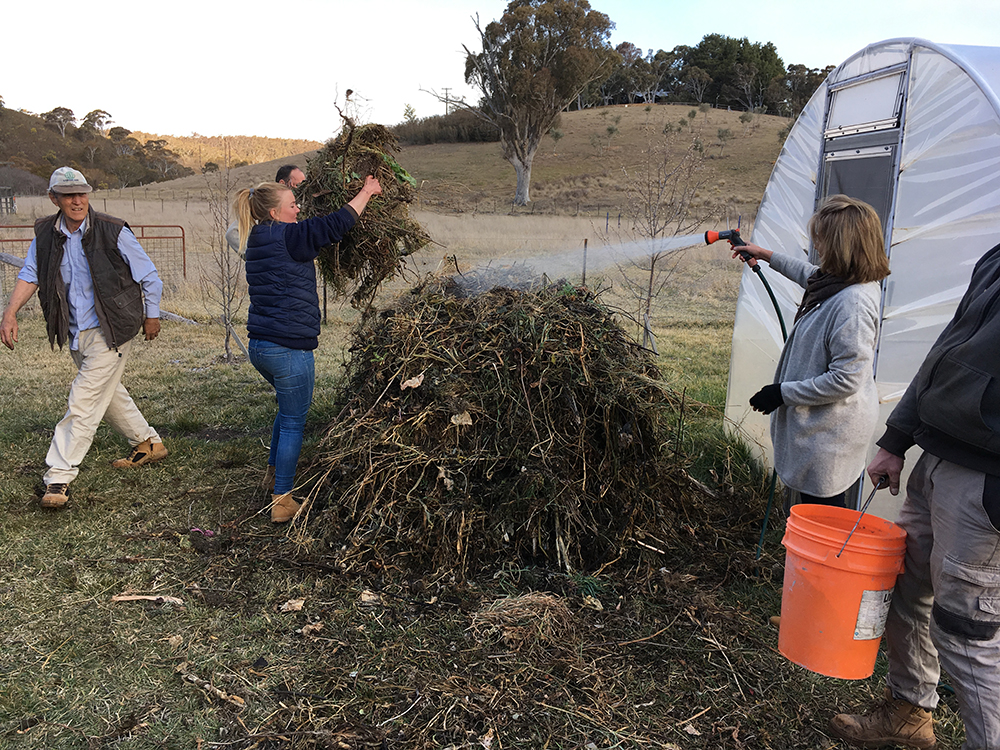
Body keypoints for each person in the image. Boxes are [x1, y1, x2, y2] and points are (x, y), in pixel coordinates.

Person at [828, 242, 1000, 750]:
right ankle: (908, 711)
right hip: (939, 455)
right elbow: (947, 348)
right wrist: (897, 438)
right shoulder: (993, 256)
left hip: (986, 481)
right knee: (905, 586)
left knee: (966, 632)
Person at [0, 167, 167, 509]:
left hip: (114, 329)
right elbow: (31, 272)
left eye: (82, 193)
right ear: (54, 198)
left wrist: (152, 316)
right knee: (108, 391)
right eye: (68, 195)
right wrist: (10, 312)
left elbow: (149, 276)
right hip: (75, 329)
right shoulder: (46, 232)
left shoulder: (112, 229)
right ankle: (149, 443)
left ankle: (58, 476)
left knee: (84, 402)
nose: (77, 201)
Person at [235, 174, 381, 522]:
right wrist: (366, 192)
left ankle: (272, 475)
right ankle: (282, 500)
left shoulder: (257, 237)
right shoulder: (290, 237)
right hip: (288, 349)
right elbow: (336, 225)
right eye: (291, 205)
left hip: (261, 347)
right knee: (293, 423)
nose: (298, 208)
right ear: (274, 212)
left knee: (286, 414)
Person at [733, 194, 891, 508]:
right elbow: (808, 275)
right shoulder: (840, 282)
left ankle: (819, 558)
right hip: (824, 426)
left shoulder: (853, 304)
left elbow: (847, 380)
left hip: (832, 433)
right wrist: (764, 254)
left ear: (842, 245)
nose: (817, 246)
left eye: (822, 239)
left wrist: (782, 393)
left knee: (824, 515)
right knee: (814, 511)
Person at [225, 165, 306, 256]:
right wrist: (260, 256)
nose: (303, 190)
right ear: (283, 183)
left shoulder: (303, 208)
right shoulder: (263, 209)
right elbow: (232, 233)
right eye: (298, 185)